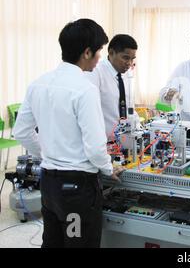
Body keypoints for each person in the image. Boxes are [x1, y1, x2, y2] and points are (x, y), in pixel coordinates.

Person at [13, 19, 124, 248]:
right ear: (86, 52)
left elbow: (21, 131)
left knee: (53, 242)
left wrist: (47, 154)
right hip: (77, 190)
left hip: (49, 184)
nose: (99, 58)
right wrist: (108, 167)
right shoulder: (84, 89)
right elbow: (94, 147)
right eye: (99, 52)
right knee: (78, 243)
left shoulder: (38, 84)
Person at [85, 34, 138, 139]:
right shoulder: (95, 73)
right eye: (126, 58)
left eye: (132, 59)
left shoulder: (126, 75)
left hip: (124, 141)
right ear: (111, 53)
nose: (129, 63)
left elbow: (129, 107)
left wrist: (139, 127)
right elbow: (89, 112)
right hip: (103, 142)